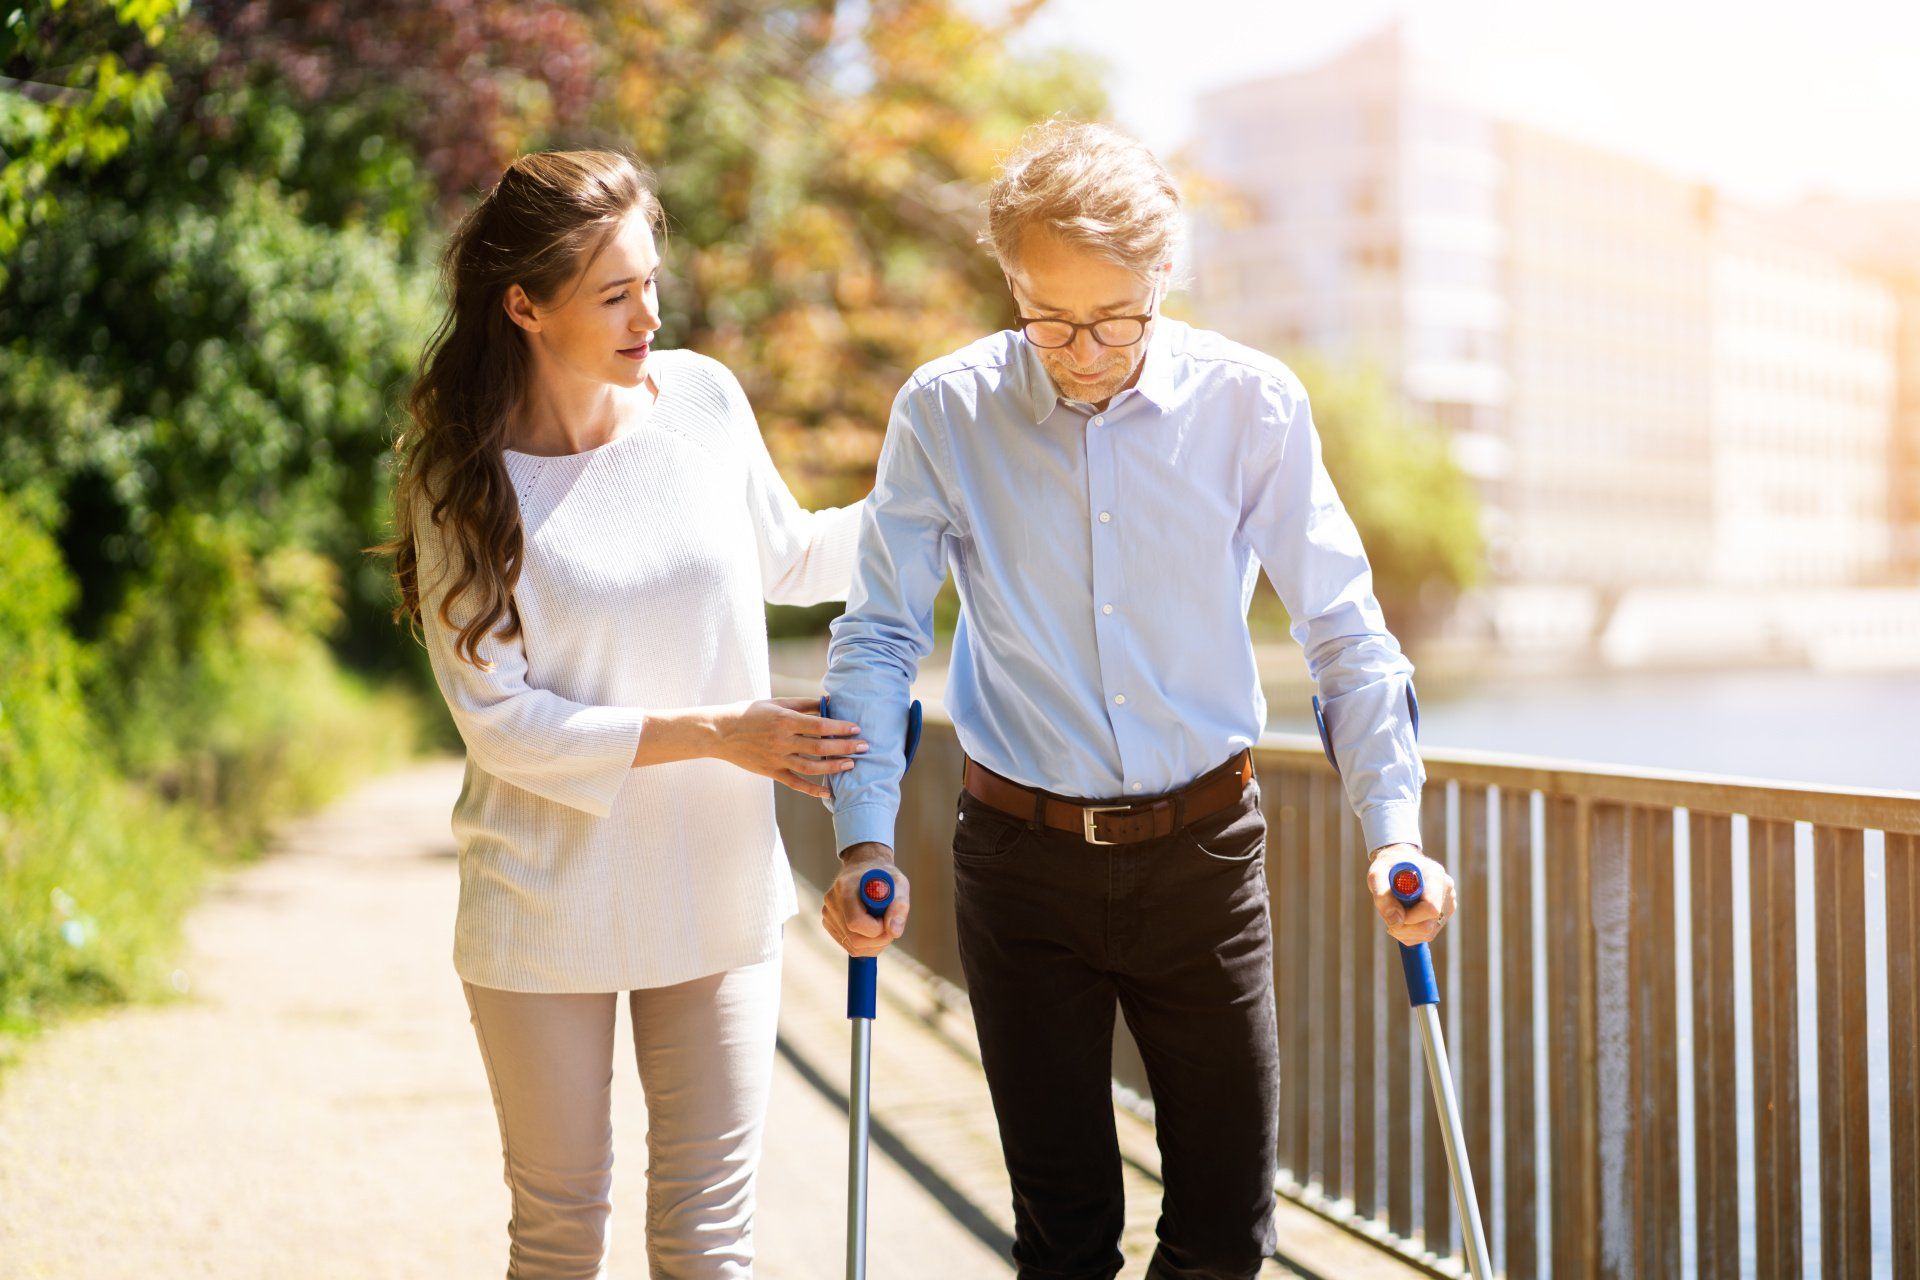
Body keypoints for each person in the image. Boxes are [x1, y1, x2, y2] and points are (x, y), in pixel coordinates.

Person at [817, 120, 1459, 1280]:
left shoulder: (1251, 405)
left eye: (1115, 318)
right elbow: (879, 634)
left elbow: (1346, 632)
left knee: (1224, 1234)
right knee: (1063, 1241)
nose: (1083, 350)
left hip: (1202, 855)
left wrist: (1395, 832)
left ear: (1164, 277)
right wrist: (862, 830)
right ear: (1011, 280)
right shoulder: (946, 411)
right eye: (1049, 318)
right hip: (1019, 860)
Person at [380, 149, 867, 1280]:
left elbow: (792, 554)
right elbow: (501, 721)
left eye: (652, 281)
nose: (650, 313)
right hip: (542, 901)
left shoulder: (700, 399)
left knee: (708, 1241)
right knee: (558, 1237)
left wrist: (947, 492)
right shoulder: (460, 476)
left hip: (712, 880)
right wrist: (717, 731)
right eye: (614, 293)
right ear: (524, 304)